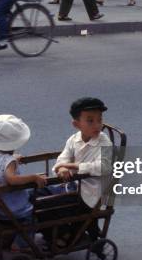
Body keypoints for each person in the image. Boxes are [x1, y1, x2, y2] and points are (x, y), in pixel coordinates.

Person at [46, 97, 112, 245]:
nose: (97, 125)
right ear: (76, 124)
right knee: (41, 194)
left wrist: (77, 166)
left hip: (91, 193)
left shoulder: (104, 142)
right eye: (90, 121)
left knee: (48, 205)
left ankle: (65, 234)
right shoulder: (73, 139)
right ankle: (60, 232)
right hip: (73, 187)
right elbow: (63, 157)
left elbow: (106, 166)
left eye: (99, 120)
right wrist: (62, 167)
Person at [0, 115, 47, 249]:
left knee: (29, 193)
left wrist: (13, 159)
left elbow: (0, 169)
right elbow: (11, 179)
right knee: (32, 218)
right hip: (12, 207)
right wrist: (33, 177)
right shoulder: (10, 161)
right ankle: (21, 244)